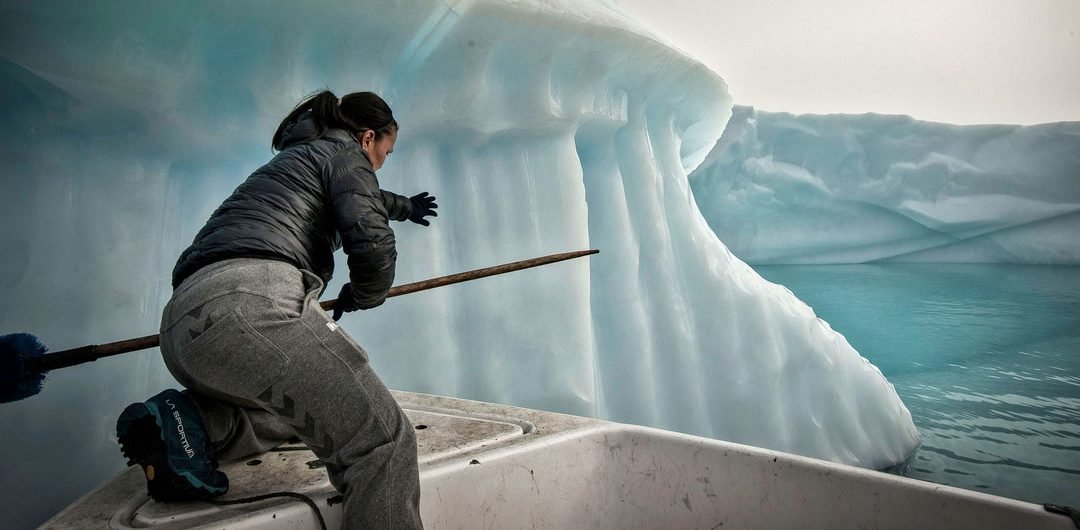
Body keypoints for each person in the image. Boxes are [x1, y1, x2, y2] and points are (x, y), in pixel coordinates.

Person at [115, 90, 435, 529]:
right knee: (381, 443)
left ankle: (194, 425)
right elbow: (371, 239)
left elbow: (370, 196)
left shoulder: (297, 161)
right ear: (367, 138)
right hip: (251, 300)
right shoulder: (345, 155)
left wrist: (408, 207)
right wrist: (361, 295)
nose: (381, 163)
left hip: (185, 323)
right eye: (385, 152)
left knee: (297, 412)